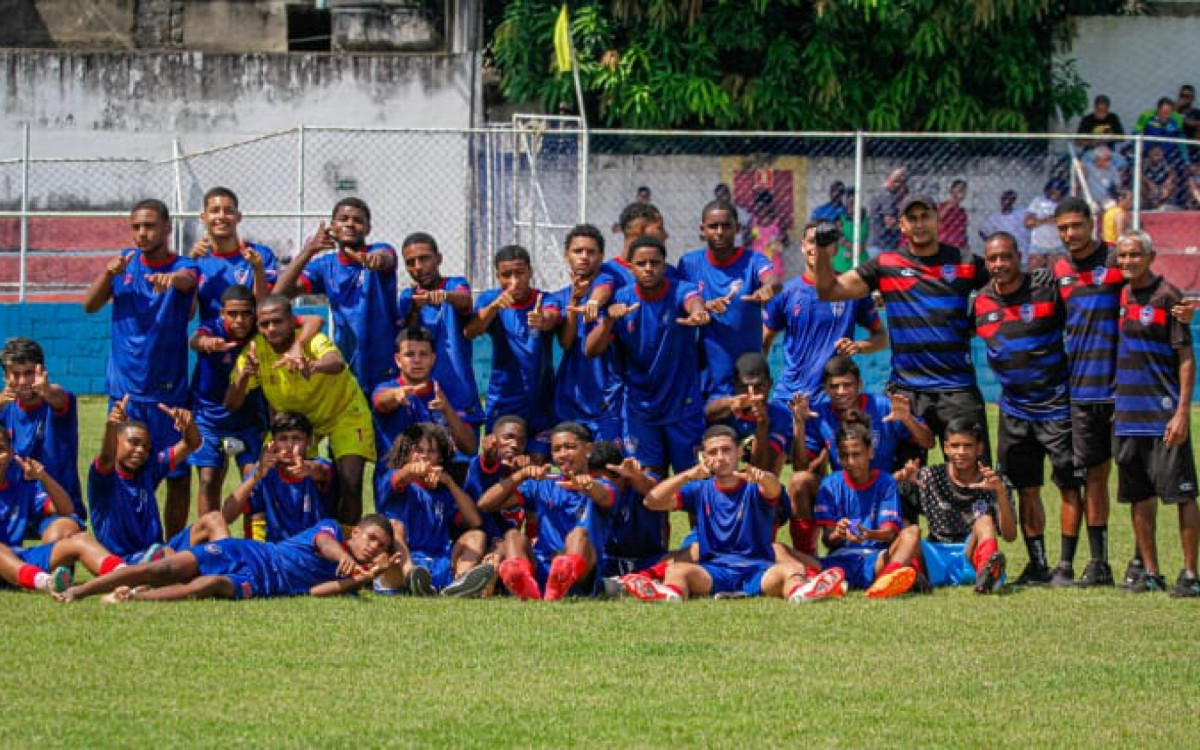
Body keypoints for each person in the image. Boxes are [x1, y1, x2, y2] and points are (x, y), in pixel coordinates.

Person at [1049, 197, 1192, 586]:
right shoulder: (1057, 269)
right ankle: (1099, 563)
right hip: (1082, 390)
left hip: (1125, 393)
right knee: (1095, 476)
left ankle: (1142, 563)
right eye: (1063, 228)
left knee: (1139, 478)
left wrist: (1184, 311)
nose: (1071, 234)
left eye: (1077, 225)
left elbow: (1158, 293)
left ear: (1092, 224)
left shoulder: (1118, 260)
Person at [814, 194, 992, 464]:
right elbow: (830, 291)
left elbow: (1003, 290)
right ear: (902, 225)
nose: (919, 224)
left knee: (974, 479)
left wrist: (977, 322)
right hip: (906, 391)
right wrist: (823, 251)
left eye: (925, 217)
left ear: (937, 220)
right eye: (912, 218)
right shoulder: (886, 265)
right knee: (902, 483)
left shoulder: (965, 261)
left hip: (958, 389)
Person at [82, 198, 197, 538]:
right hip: (125, 394)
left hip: (167, 395)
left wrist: (172, 280)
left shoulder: (184, 265)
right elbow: (89, 306)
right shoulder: (124, 265)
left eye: (149, 226)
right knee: (121, 472)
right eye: (136, 227)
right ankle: (124, 544)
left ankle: (171, 547)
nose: (142, 233)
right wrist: (108, 272)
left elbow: (188, 280)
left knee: (177, 475)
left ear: (167, 228)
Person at [973, 232, 1082, 586]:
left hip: (1056, 406)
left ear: (1019, 256)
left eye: (1006, 257)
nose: (1000, 265)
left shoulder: (1046, 290)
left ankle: (1065, 567)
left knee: (1068, 486)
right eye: (992, 259)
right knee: (1026, 489)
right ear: (986, 263)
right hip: (1014, 411)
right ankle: (1038, 565)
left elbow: (1081, 322)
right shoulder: (981, 302)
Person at [630, 425, 844, 603]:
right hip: (713, 571)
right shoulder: (699, 489)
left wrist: (762, 477)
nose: (720, 457)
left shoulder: (754, 486)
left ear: (740, 452)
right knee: (677, 571)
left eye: (726, 450)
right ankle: (670, 594)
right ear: (704, 457)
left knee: (792, 569)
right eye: (713, 453)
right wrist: (687, 475)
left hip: (758, 570)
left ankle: (800, 593)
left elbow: (773, 489)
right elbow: (652, 501)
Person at [225, 294, 374, 525]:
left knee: (350, 482)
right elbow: (231, 403)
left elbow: (336, 363)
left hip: (342, 412)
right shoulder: (255, 351)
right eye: (265, 324)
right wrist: (245, 376)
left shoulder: (310, 340)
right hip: (298, 425)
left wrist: (313, 365)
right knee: (258, 477)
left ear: (291, 320)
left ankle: (345, 548)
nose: (271, 329)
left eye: (278, 322)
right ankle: (261, 545)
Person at [1112, 230, 1198, 596]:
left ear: (1150, 256)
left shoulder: (1169, 297)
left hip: (1163, 417)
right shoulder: (1119, 295)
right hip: (1127, 416)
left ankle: (1191, 575)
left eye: (1134, 255)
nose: (1128, 261)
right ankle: (1151, 571)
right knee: (1139, 497)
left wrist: (1181, 412)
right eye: (1123, 256)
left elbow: (1186, 357)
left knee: (1182, 495)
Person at [188, 285, 323, 518]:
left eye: (246, 314)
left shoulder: (264, 331)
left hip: (249, 420)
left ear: (254, 314)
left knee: (255, 483)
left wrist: (298, 346)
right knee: (209, 481)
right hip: (210, 419)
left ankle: (256, 543)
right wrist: (206, 344)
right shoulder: (213, 330)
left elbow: (314, 319)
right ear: (222, 314)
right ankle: (207, 543)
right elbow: (195, 339)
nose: (239, 320)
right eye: (233, 314)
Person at [55, 515, 401, 603]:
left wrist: (363, 578)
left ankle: (131, 598)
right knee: (163, 568)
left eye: (380, 545)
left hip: (263, 584)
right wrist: (348, 560)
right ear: (354, 532)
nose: (372, 547)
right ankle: (78, 592)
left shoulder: (351, 581)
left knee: (209, 585)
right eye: (370, 537)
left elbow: (315, 593)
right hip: (246, 551)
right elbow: (324, 542)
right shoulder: (331, 531)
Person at [585, 235, 711, 477]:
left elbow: (693, 301)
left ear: (664, 265)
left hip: (682, 404)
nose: (649, 269)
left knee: (695, 477)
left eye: (655, 262)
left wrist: (699, 312)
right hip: (640, 407)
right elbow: (590, 350)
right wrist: (609, 321)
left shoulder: (680, 290)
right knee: (649, 478)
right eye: (642, 264)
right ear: (630, 267)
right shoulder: (620, 300)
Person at [480, 422, 617, 600]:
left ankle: (561, 579)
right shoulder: (544, 484)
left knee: (578, 535)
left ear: (588, 449)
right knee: (513, 536)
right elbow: (485, 504)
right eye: (557, 449)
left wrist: (588, 486)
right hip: (543, 566)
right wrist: (519, 476)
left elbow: (605, 496)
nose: (562, 454)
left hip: (580, 573)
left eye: (570, 447)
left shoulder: (603, 484)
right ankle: (522, 583)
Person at [275, 197, 399, 391]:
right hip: (348, 361)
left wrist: (376, 260)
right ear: (333, 226)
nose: (350, 224)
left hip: (385, 365)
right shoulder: (325, 265)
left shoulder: (378, 250)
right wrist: (308, 251)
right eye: (344, 219)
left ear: (368, 229)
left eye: (358, 220)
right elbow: (278, 294)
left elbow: (386, 257)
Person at [762, 222, 886, 407]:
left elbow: (881, 337)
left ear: (834, 248)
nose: (817, 248)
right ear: (803, 246)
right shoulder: (786, 293)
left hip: (834, 399)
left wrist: (858, 346)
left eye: (823, 242)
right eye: (812, 241)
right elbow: (764, 342)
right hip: (791, 397)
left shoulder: (850, 290)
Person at [374, 423, 495, 598]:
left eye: (431, 451)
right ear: (406, 454)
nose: (424, 455)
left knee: (477, 535)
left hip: (439, 562)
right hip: (403, 562)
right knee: (393, 526)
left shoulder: (444, 492)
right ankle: (411, 577)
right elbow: (399, 478)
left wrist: (450, 483)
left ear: (440, 458)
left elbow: (474, 521)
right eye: (417, 450)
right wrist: (410, 470)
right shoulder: (394, 481)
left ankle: (459, 583)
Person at [678, 199, 777, 399]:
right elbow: (679, 303)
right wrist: (704, 306)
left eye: (726, 226)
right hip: (709, 370)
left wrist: (768, 288)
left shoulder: (753, 260)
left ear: (738, 228)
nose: (720, 232)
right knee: (714, 427)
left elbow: (772, 278)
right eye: (713, 226)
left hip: (748, 372)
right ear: (703, 229)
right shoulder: (689, 264)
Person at [465, 245, 559, 455]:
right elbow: (471, 331)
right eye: (507, 275)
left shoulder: (545, 299)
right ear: (498, 276)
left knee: (537, 460)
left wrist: (542, 320)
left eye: (520, 273)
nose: (514, 281)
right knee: (499, 457)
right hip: (504, 395)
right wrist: (494, 308)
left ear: (530, 272)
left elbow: (552, 316)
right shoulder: (491, 300)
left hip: (541, 397)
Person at [814, 418, 922, 599]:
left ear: (870, 452)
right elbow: (827, 539)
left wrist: (869, 534)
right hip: (838, 562)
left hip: (876, 559)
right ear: (838, 457)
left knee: (912, 532)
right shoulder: (829, 484)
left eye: (856, 454)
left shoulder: (886, 482)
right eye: (844, 455)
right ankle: (816, 581)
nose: (851, 461)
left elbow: (890, 533)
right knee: (779, 550)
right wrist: (838, 533)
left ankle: (885, 582)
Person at [88, 396, 201, 561]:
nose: (140, 450)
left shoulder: (148, 468)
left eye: (146, 447)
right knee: (173, 557)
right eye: (133, 443)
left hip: (158, 552)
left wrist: (189, 425)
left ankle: (236, 575)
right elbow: (106, 458)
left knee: (212, 521)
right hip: (124, 562)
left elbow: (192, 443)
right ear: (117, 442)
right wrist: (111, 426)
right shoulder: (103, 478)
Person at [913, 419, 1017, 594]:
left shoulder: (995, 481)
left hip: (971, 555)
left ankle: (987, 575)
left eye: (968, 446)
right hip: (936, 554)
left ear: (979, 448)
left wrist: (1000, 492)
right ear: (946, 448)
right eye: (955, 446)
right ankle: (913, 576)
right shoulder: (928, 476)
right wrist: (900, 479)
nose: (961, 452)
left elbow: (1010, 535)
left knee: (984, 520)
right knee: (910, 534)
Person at [395, 231, 483, 433]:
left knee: (463, 457)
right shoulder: (408, 297)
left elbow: (465, 300)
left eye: (424, 258)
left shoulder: (455, 285)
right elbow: (404, 334)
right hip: (422, 395)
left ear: (439, 259)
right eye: (410, 262)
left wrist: (443, 296)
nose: (418, 267)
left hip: (459, 391)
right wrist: (416, 308)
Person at [0, 338, 83, 540]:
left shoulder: (60, 401)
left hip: (54, 504)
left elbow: (59, 398)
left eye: (28, 373)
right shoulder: (4, 407)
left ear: (41, 372)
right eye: (15, 374)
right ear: (5, 376)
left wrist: (46, 391)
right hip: (10, 505)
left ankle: (57, 572)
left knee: (62, 534)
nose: (22, 382)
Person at [551, 224, 625, 442]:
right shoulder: (558, 298)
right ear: (566, 255)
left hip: (609, 391)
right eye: (578, 251)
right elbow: (566, 343)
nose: (584, 257)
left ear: (601, 257)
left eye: (591, 252)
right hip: (572, 392)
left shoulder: (616, 294)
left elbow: (604, 285)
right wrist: (574, 302)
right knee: (571, 463)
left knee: (608, 464)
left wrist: (593, 303)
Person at [371, 326, 479, 472]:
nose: (417, 360)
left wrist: (447, 410)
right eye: (409, 354)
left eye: (423, 354)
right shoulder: (386, 388)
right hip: (397, 480)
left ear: (433, 359)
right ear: (398, 360)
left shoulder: (446, 393)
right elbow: (381, 401)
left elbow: (470, 448)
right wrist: (395, 395)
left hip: (437, 477)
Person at [225, 412, 337, 543]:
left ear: (309, 441)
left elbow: (320, 471)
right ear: (274, 442)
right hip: (275, 552)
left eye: (297, 438)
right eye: (283, 439)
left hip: (310, 550)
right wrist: (257, 476)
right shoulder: (264, 471)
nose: (290, 445)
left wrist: (308, 469)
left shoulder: (319, 467)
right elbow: (227, 516)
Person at [188, 186, 277, 326]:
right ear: (203, 217)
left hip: (253, 344)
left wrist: (258, 269)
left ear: (238, 217)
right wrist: (190, 266)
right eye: (214, 211)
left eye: (228, 211)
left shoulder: (261, 255)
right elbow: (188, 313)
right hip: (212, 343)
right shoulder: (196, 261)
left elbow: (264, 308)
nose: (221, 216)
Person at [590, 440, 666, 578]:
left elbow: (654, 489)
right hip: (608, 562)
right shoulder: (590, 491)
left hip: (649, 560)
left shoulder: (641, 481)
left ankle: (635, 580)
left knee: (681, 560)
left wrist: (636, 476)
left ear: (619, 473)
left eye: (601, 479)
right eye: (596, 479)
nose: (601, 484)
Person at [977, 190, 1030, 263]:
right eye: (1004, 199)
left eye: (1010, 199)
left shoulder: (1021, 212)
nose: (1007, 202)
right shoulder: (995, 217)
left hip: (1022, 251)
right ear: (1001, 200)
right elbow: (982, 231)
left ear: (1013, 201)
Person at [1025, 179, 1066, 270]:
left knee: (1057, 275)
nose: (1055, 194)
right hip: (1038, 245)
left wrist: (1055, 219)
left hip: (1057, 246)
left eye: (1058, 192)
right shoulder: (1038, 201)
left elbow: (1064, 221)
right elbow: (1028, 222)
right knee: (1034, 274)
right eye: (1052, 191)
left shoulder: (1064, 203)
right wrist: (1044, 220)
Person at [746, 190, 788, 280]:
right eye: (758, 207)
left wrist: (779, 240)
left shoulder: (778, 222)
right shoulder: (753, 222)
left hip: (774, 266)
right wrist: (750, 236)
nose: (760, 209)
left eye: (763, 207)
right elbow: (745, 242)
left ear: (770, 206)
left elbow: (786, 242)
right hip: (756, 266)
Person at [867, 167, 908, 257]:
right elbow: (890, 223)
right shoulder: (888, 197)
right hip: (883, 246)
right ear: (893, 182)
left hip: (875, 243)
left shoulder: (878, 193)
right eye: (901, 183)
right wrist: (908, 227)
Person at [834, 187, 870, 272]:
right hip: (842, 264)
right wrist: (856, 248)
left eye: (854, 202)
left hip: (861, 263)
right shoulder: (840, 218)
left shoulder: (866, 220)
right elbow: (840, 240)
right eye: (849, 202)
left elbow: (865, 245)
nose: (851, 206)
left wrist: (854, 253)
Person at [936, 179, 969, 251]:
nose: (963, 191)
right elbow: (937, 218)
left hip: (959, 246)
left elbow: (963, 232)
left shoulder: (962, 212)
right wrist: (952, 203)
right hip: (945, 243)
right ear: (952, 190)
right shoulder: (942, 206)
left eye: (964, 189)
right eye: (960, 188)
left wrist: (966, 247)